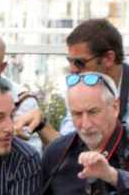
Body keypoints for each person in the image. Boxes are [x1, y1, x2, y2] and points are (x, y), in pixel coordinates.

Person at [16, 18, 129, 146]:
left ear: (108, 58)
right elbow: (69, 147)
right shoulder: (81, 89)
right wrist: (42, 124)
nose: (72, 70)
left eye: (80, 63)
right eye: (70, 62)